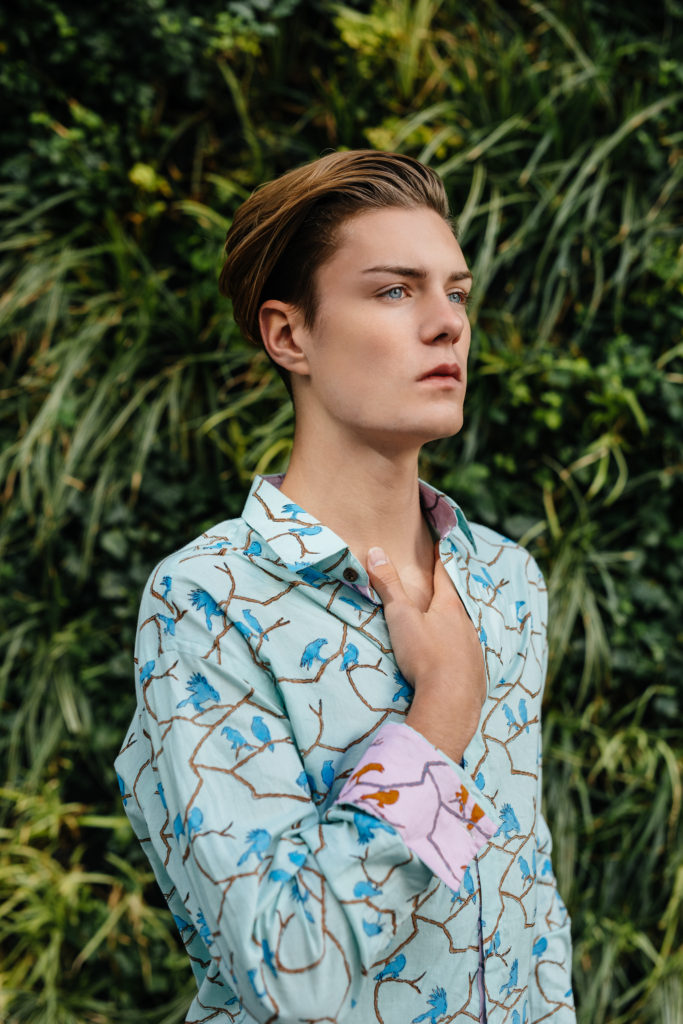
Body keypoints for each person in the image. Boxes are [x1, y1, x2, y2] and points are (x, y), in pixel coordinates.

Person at [115, 150, 575, 1023]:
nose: (446, 324)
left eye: (456, 291)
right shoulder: (208, 603)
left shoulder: (506, 580)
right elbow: (290, 974)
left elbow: (527, 905)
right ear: (289, 335)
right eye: (394, 291)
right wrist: (440, 706)